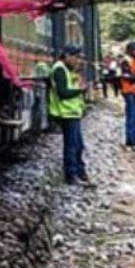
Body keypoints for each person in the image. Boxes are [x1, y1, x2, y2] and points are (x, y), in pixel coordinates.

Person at [48, 44, 89, 185]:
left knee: (78, 145)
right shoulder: (59, 69)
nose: (77, 60)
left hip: (72, 113)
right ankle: (71, 175)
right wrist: (80, 90)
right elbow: (63, 93)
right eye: (76, 57)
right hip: (66, 113)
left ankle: (80, 173)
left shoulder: (66, 69)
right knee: (72, 146)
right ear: (67, 55)